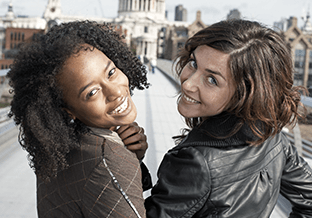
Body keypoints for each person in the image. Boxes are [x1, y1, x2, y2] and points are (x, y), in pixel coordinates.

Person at [145, 19, 312, 217]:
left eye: (212, 79)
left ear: (244, 95)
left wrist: (130, 163)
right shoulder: (271, 135)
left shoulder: (196, 161)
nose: (188, 83)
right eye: (193, 63)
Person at [7, 21, 151, 218]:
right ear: (68, 111)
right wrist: (122, 158)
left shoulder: (56, 150)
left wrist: (132, 157)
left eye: (111, 72)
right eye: (92, 92)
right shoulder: (109, 159)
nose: (116, 91)